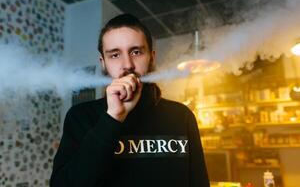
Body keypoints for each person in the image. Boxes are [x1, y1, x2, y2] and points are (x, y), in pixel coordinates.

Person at [50, 13, 210, 187]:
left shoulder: (181, 116)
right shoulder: (80, 116)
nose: (128, 65)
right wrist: (112, 118)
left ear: (152, 57)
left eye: (136, 52)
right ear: (103, 63)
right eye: (115, 55)